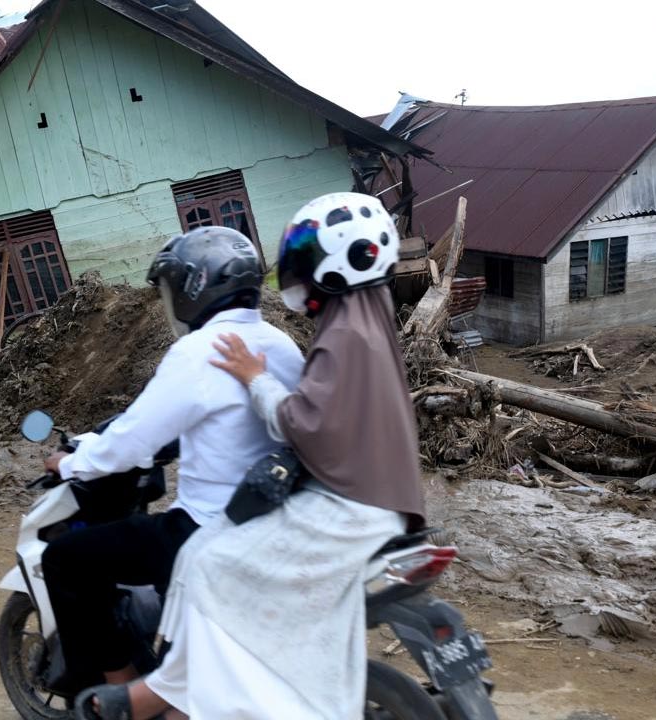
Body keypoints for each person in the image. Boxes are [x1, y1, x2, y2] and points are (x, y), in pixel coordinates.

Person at [75, 192, 426, 720]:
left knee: (206, 562)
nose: (299, 270)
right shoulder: (344, 325)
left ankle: (159, 694)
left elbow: (308, 426)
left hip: (343, 504)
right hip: (364, 497)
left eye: (306, 256)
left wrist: (253, 378)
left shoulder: (330, 336)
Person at [40, 226, 303, 700]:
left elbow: (130, 439)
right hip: (276, 522)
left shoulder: (198, 351)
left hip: (206, 529)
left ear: (193, 287)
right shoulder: (281, 345)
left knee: (65, 559)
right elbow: (237, 424)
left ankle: (117, 694)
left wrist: (69, 463)